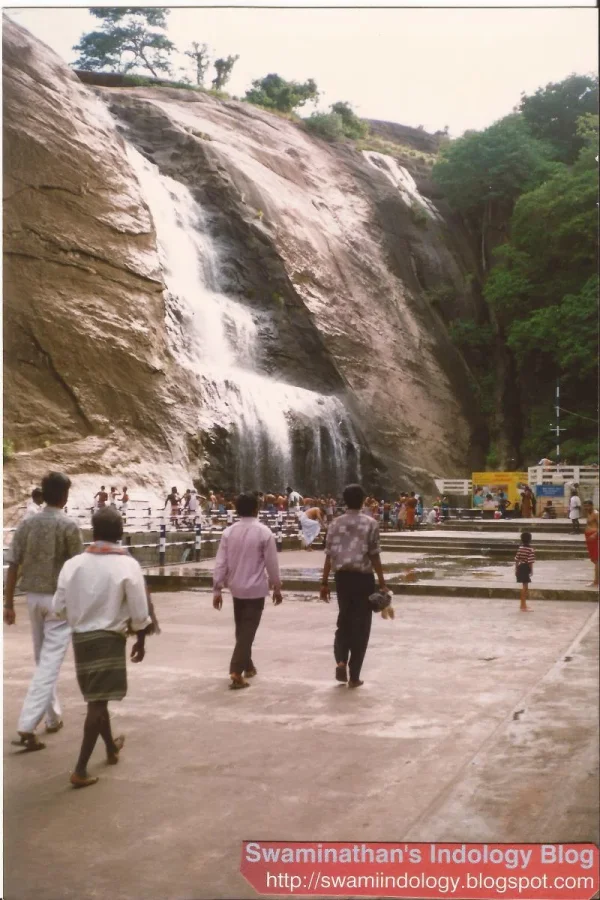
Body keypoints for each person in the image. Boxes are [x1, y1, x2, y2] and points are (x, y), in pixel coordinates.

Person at [53, 508, 153, 788]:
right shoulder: (127, 565)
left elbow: (59, 607)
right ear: (120, 533)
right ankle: (80, 769)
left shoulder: (72, 565)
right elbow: (139, 611)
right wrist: (140, 641)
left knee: (98, 697)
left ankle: (110, 747)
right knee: (97, 704)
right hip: (109, 638)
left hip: (81, 638)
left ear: (93, 533)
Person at [4, 472, 83, 751]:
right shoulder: (69, 526)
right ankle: (28, 723)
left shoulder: (27, 524)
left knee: (42, 660)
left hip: (33, 598)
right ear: (64, 496)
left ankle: (52, 717)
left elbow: (13, 563)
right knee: (48, 663)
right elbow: (77, 569)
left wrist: (8, 603)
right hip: (58, 601)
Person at [320, 483, 389, 689]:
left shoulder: (335, 524)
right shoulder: (370, 523)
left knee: (344, 620)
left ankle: (341, 660)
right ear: (362, 500)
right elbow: (374, 555)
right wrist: (383, 583)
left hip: (342, 578)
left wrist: (324, 583)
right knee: (361, 626)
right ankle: (354, 676)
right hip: (363, 579)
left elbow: (329, 555)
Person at [213, 492, 283, 690]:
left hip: (236, 587)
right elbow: (271, 563)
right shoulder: (264, 532)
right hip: (255, 588)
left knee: (242, 628)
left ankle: (249, 666)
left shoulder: (228, 532)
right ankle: (236, 670)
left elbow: (221, 562)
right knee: (247, 631)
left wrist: (217, 589)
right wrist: (277, 586)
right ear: (256, 509)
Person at [515, 531, 535, 612]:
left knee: (525, 586)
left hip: (520, 566)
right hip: (525, 567)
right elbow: (530, 561)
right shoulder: (530, 549)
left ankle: (522, 605)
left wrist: (516, 569)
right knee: (525, 587)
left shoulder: (520, 548)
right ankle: (523, 606)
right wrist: (531, 570)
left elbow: (516, 559)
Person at [583, 501, 599, 587]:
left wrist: (594, 535)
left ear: (592, 505)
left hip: (595, 538)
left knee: (597, 560)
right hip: (589, 538)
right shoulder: (588, 513)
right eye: (585, 506)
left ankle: (596, 581)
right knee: (594, 559)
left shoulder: (596, 513)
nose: (586, 508)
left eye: (588, 506)